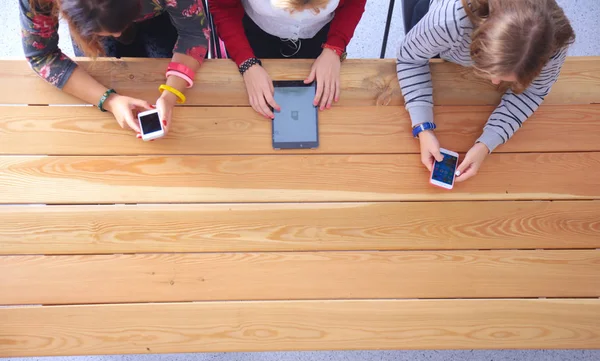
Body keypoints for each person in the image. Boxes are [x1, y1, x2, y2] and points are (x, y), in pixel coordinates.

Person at [396, 0, 575, 182]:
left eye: (504, 77)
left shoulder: (553, 44)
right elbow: (410, 58)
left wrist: (487, 143)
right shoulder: (448, 22)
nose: (494, 82)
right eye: (490, 72)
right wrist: (422, 127)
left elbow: (533, 92)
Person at [20, 0, 210, 136]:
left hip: (160, 15)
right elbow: (41, 55)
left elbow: (194, 33)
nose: (118, 34)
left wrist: (170, 94)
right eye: (108, 30)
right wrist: (109, 100)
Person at [209, 0, 366, 119]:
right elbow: (224, 8)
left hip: (324, 39)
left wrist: (334, 47)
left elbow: (354, 2)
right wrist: (246, 62)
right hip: (253, 35)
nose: (300, 14)